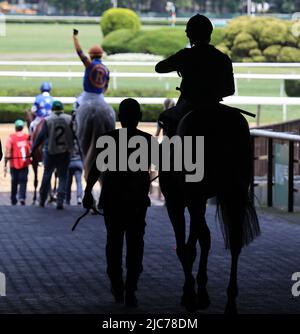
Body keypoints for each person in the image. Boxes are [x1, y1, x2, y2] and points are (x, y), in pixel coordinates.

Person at [83, 98, 152, 308]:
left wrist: (88, 192)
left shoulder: (108, 140)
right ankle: (131, 290)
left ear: (119, 118)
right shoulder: (148, 141)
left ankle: (117, 285)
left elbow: (95, 168)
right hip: (137, 203)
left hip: (113, 201)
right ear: (139, 118)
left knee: (113, 244)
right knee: (135, 246)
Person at [155, 14, 235, 134]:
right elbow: (230, 90)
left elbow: (159, 68)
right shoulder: (223, 58)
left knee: (165, 118)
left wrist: (180, 64)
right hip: (214, 105)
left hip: (188, 106)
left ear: (190, 35)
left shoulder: (185, 55)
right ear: (209, 33)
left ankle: (172, 151)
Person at [31, 100, 73, 210]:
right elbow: (74, 135)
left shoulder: (48, 119)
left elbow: (40, 137)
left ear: (53, 109)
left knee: (47, 175)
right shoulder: (69, 119)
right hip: (65, 152)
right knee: (63, 176)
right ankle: (60, 201)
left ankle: (42, 200)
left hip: (51, 152)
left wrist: (33, 149)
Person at [72, 28, 110, 108]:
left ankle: (73, 120)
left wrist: (75, 37)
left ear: (91, 55)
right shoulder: (106, 70)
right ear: (101, 55)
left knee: (76, 105)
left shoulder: (89, 64)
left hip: (87, 95)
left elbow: (80, 52)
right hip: (100, 97)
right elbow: (105, 87)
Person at [5, 120, 31, 205]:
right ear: (22, 127)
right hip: (25, 163)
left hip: (14, 163)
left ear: (15, 127)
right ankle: (22, 197)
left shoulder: (11, 137)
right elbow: (31, 149)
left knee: (14, 182)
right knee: (23, 181)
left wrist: (5, 164)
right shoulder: (27, 137)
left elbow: (8, 152)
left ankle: (13, 198)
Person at [66, 139, 83, 205]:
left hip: (69, 163)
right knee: (79, 182)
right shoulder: (79, 143)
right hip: (78, 162)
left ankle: (67, 199)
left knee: (68, 182)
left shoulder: (68, 142)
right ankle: (79, 197)